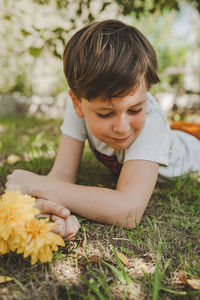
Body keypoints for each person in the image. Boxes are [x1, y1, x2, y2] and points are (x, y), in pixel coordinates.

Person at [6, 20, 200, 240]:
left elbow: (128, 211)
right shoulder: (79, 103)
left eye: (135, 109)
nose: (122, 127)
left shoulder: (151, 120)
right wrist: (54, 210)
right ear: (78, 103)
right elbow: (61, 177)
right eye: (105, 114)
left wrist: (36, 184)